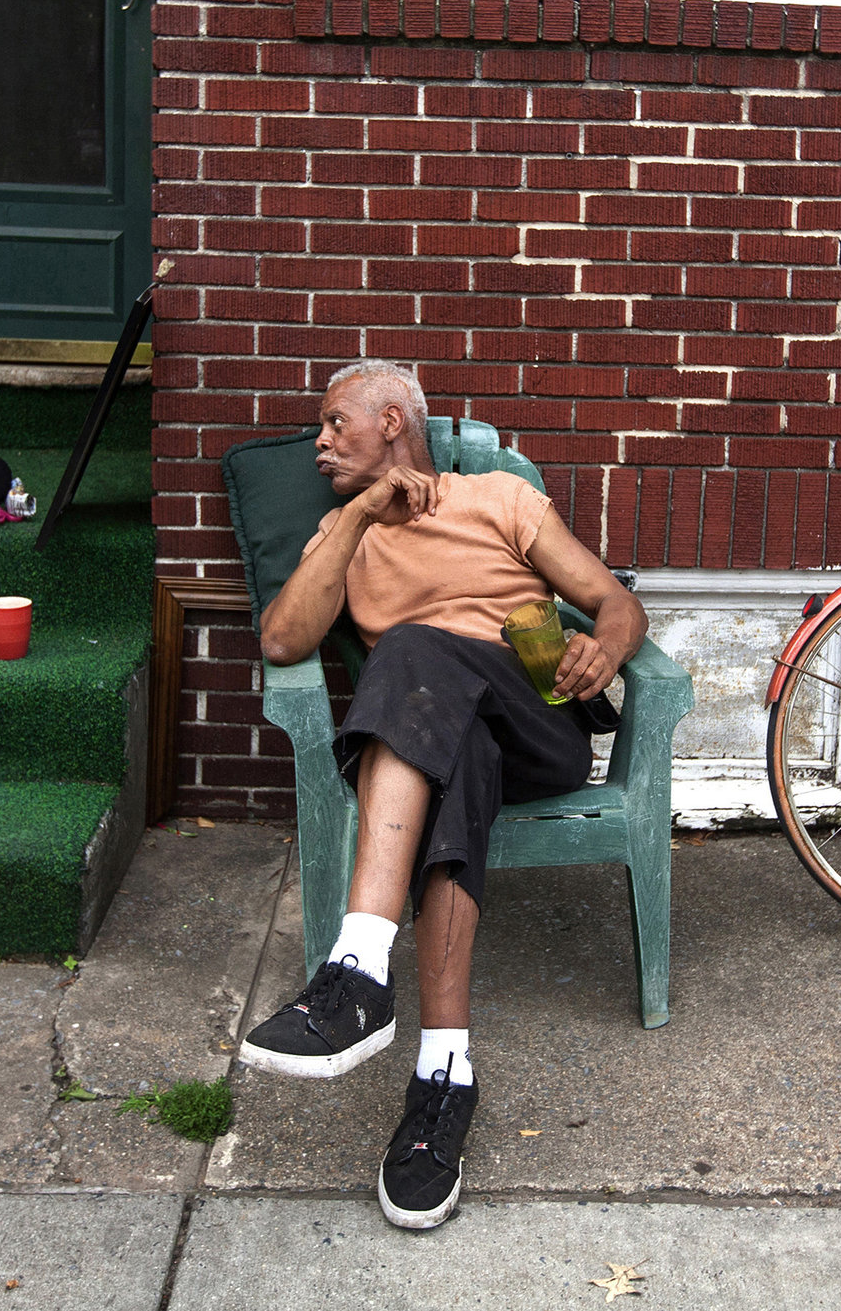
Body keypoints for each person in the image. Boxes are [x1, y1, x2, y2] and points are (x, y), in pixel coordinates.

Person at [240, 358, 647, 1230]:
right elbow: (282, 640)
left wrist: (604, 651)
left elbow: (612, 602)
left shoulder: (495, 497)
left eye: (333, 424)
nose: (318, 442)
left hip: (539, 726)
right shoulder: (342, 535)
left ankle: (357, 969)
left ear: (393, 420)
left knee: (412, 650)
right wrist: (355, 517)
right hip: (446, 739)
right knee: (451, 746)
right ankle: (443, 1078)